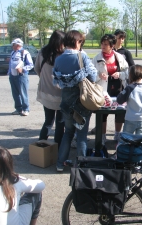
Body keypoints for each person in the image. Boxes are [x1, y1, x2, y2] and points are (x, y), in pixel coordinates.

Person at [53, 30, 97, 171]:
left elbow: (56, 82)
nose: (81, 45)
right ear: (77, 42)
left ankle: (60, 164)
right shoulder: (81, 56)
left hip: (66, 101)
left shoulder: (58, 59)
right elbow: (93, 77)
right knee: (82, 135)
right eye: (81, 42)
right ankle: (81, 166)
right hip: (81, 101)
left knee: (68, 133)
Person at [90, 29, 134, 135]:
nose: (103, 46)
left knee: (120, 113)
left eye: (106, 44)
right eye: (102, 44)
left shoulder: (119, 57)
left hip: (119, 89)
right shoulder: (96, 58)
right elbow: (90, 75)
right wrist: (99, 76)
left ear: (112, 45)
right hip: (103, 90)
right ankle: (103, 137)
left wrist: (120, 74)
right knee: (102, 115)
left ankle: (117, 135)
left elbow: (128, 72)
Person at [116, 65, 142, 169]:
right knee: (140, 142)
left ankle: (121, 159)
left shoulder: (130, 88)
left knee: (124, 141)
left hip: (130, 118)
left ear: (131, 75)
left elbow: (119, 100)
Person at [34, 30, 66, 148]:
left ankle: (41, 147)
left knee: (48, 121)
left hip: (45, 93)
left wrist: (45, 79)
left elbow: (37, 68)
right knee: (60, 124)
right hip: (61, 95)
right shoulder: (64, 55)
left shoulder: (43, 52)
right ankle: (57, 148)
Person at [8, 38, 34, 116]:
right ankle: (18, 109)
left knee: (23, 93)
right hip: (13, 75)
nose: (12, 46)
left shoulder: (25, 53)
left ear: (18, 45)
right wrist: (9, 72)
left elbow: (31, 65)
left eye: (14, 44)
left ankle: (26, 109)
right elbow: (11, 63)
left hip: (21, 76)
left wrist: (22, 69)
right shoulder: (12, 52)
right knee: (15, 93)